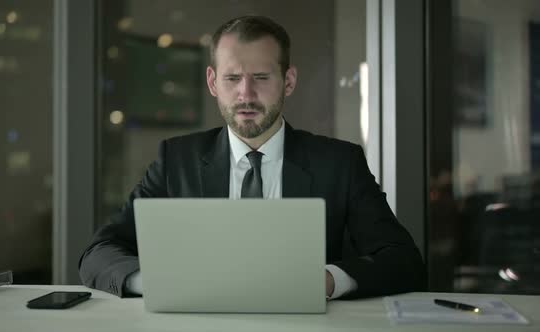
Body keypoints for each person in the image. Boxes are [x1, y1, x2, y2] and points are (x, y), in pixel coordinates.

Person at [79, 15, 425, 299]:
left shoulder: (340, 163)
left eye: (261, 77)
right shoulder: (176, 160)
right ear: (213, 83)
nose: (246, 94)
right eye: (232, 78)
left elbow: (403, 261)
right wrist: (151, 282)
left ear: (288, 81)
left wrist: (329, 280)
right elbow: (100, 252)